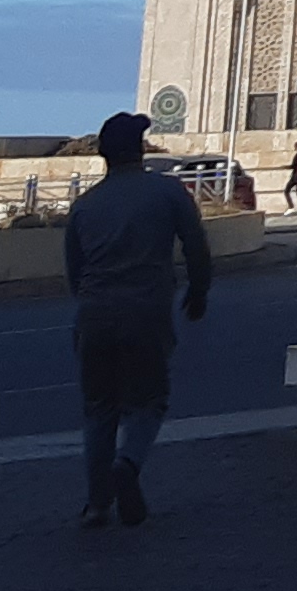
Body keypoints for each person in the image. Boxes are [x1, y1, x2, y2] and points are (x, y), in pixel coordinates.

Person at [63, 111, 211, 530]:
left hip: (94, 314)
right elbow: (196, 245)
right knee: (148, 402)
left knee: (99, 410)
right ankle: (127, 464)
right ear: (140, 149)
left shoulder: (85, 205)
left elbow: (74, 272)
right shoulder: (166, 193)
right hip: (146, 311)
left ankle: (96, 505)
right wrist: (198, 291)